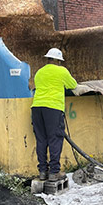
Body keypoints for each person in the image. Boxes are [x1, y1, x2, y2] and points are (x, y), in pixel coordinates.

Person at [31, 48, 77, 181]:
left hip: (36, 108)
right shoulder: (61, 71)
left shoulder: (39, 72)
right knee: (55, 139)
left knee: (41, 140)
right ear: (58, 61)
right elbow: (72, 85)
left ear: (48, 59)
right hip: (53, 108)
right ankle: (54, 172)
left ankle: (43, 172)